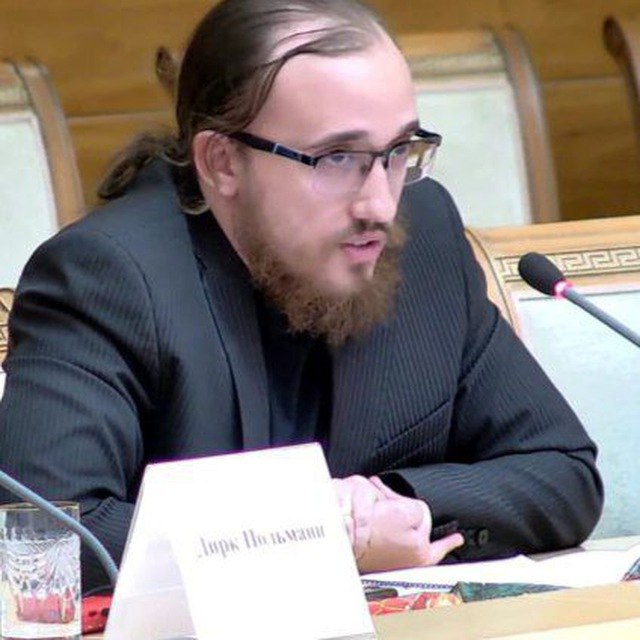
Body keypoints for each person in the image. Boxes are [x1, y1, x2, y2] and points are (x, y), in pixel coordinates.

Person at [0, 0, 603, 592]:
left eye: (398, 152)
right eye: (337, 158)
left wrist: (403, 506)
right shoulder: (107, 277)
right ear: (222, 162)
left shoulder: (421, 237)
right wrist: (325, 532)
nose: (379, 205)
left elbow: (563, 471)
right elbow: (44, 538)